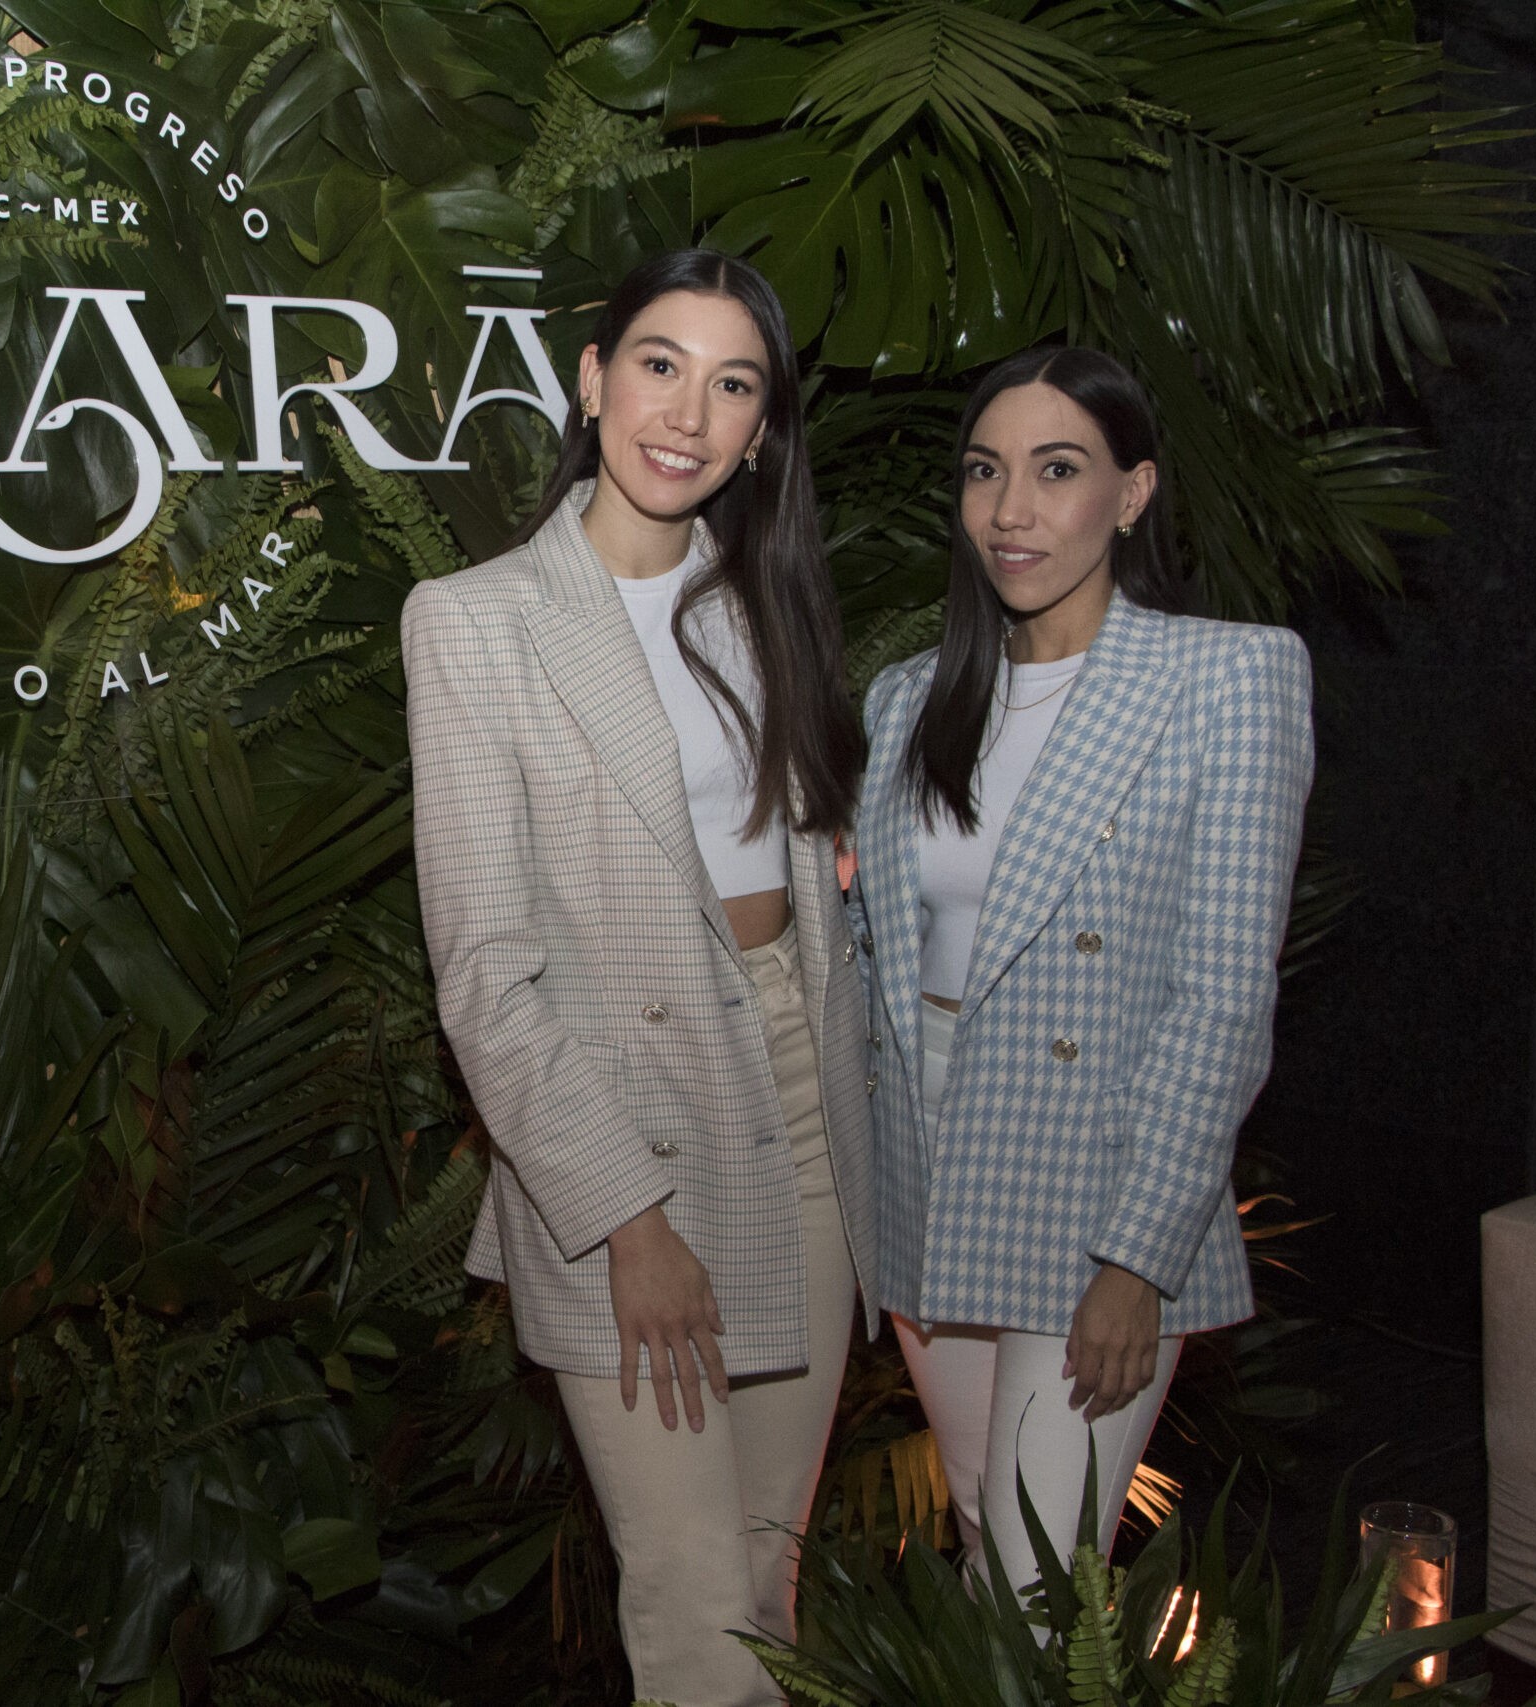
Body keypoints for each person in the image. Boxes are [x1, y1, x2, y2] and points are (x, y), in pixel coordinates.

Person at [402, 249, 880, 1707]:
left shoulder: (769, 602)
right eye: (661, 364)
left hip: (805, 1101)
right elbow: (485, 975)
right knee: (688, 1601)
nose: (691, 410)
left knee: (766, 1568)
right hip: (625, 1134)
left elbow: (808, 871)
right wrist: (624, 1212)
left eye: (735, 382)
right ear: (592, 377)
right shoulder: (476, 619)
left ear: (761, 428)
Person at [850, 346, 1314, 1598]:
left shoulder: (1227, 677)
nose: (1013, 510)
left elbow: (1222, 998)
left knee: (1034, 1598)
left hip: (1093, 1184)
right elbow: (876, 964)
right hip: (930, 1169)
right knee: (983, 1553)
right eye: (986, 473)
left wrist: (1139, 1258)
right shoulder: (907, 701)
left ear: (1133, 490)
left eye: (1060, 471)